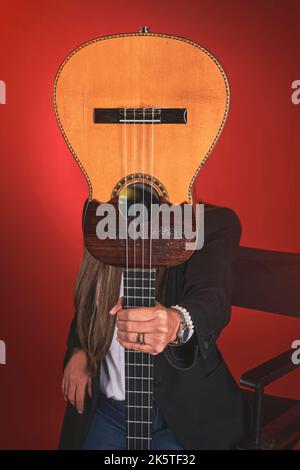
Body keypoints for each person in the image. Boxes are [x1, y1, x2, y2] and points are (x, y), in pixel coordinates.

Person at [59, 202, 250, 450]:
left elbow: (212, 300)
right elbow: (89, 301)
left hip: (180, 421)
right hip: (106, 411)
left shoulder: (208, 223)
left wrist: (175, 323)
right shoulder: (101, 207)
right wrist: (80, 349)